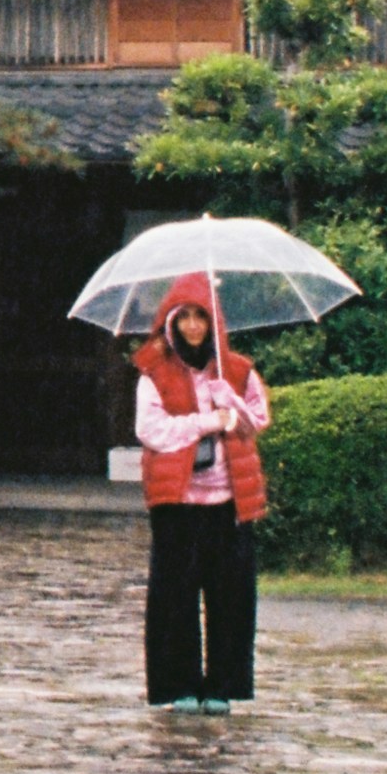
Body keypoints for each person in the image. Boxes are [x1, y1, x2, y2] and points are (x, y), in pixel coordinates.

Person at [132, 276, 267, 708]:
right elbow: (153, 431)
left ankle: (224, 687)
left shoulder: (238, 370)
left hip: (229, 501)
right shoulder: (154, 375)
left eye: (200, 317)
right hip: (178, 502)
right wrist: (207, 421)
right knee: (175, 597)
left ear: (214, 322)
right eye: (184, 317)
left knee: (231, 596)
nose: (193, 326)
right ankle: (180, 686)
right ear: (170, 324)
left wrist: (233, 404)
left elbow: (256, 422)